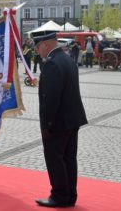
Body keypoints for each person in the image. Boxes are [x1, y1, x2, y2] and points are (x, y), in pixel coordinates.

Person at [33, 31, 88, 208]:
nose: (36, 50)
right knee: (69, 159)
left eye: (38, 46)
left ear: (46, 45)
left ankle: (59, 196)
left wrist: (47, 125)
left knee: (55, 159)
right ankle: (70, 195)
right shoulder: (67, 59)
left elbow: (51, 99)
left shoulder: (52, 64)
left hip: (58, 122)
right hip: (73, 119)